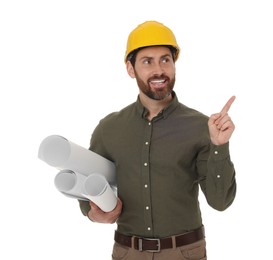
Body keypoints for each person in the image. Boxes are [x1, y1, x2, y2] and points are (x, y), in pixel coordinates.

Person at [79, 20, 236, 260]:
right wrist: (92, 214)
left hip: (184, 253)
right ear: (131, 69)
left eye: (165, 59)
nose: (159, 70)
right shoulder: (109, 128)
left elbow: (220, 201)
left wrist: (219, 146)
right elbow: (86, 184)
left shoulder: (201, 127)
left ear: (174, 64)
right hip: (128, 253)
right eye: (147, 61)